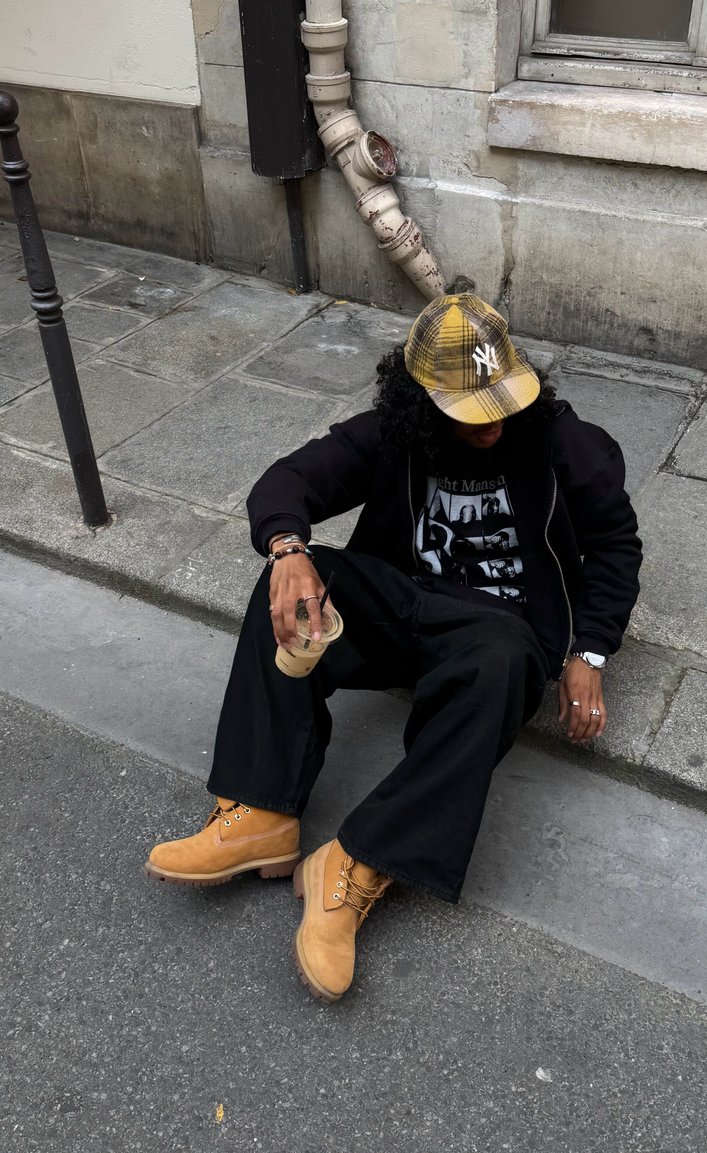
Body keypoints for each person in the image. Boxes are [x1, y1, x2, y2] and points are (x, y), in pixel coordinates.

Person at [146, 294, 642, 1004]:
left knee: (501, 662)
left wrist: (588, 652)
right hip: (402, 603)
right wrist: (287, 549)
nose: (491, 426)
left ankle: (355, 861)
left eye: (500, 403)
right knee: (286, 585)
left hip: (499, 633)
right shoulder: (393, 433)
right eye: (472, 411)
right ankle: (262, 813)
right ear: (419, 402)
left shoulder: (564, 443)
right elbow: (288, 480)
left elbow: (617, 546)